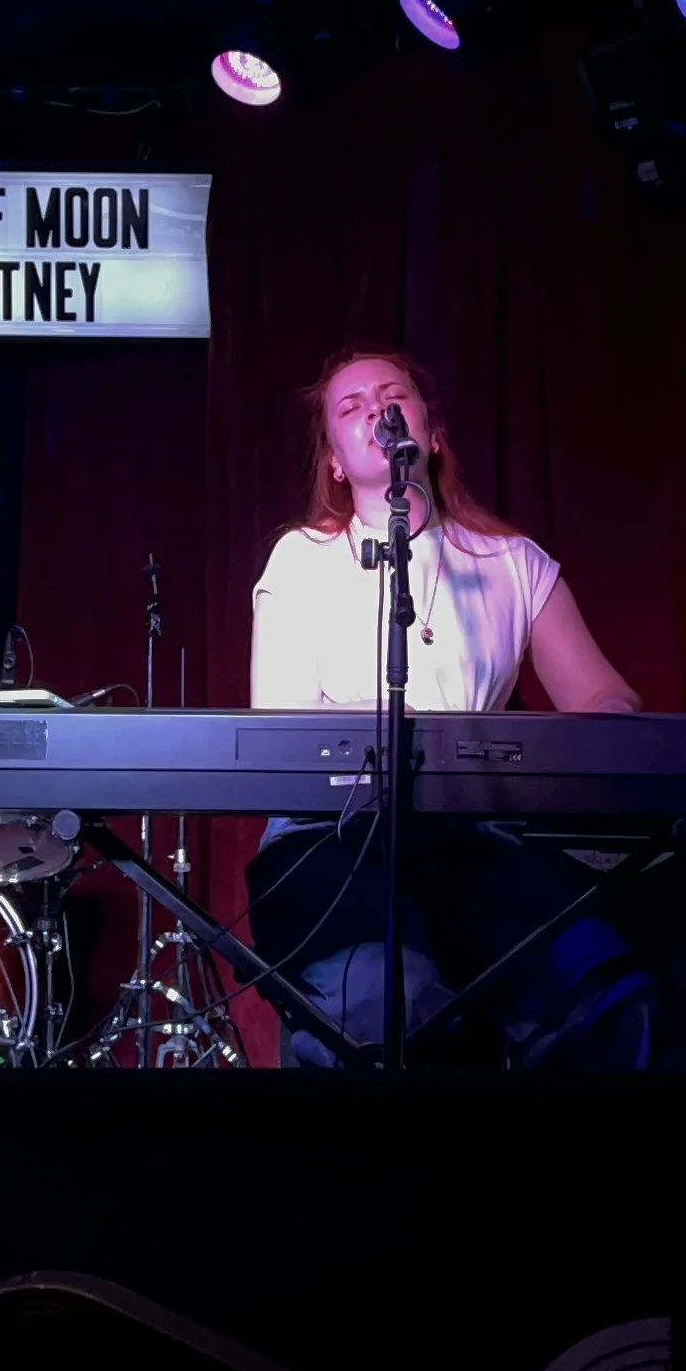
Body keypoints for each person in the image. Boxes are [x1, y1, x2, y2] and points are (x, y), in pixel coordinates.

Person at [247, 346, 655, 1069]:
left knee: (602, 989)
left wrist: (605, 733)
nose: (375, 408)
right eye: (351, 406)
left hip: (478, 839)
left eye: (391, 394)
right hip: (331, 842)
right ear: (336, 461)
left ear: (431, 433)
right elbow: (283, 731)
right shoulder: (300, 560)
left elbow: (602, 695)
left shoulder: (512, 563)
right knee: (384, 1001)